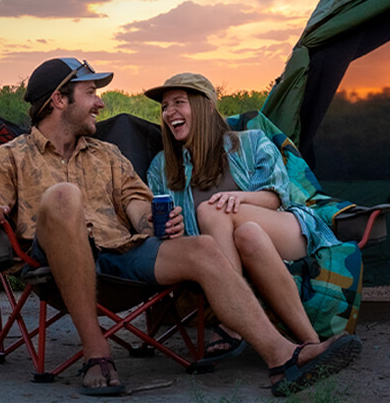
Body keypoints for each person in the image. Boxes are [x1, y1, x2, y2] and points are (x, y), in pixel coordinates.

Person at [0, 58, 361, 397]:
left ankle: (283, 357)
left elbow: (137, 201)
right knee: (63, 195)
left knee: (204, 247)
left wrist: (148, 217)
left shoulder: (108, 154)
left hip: (121, 253)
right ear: (58, 100)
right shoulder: (8, 157)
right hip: (58, 259)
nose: (101, 102)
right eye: (91, 93)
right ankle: (96, 352)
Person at [144, 73, 342, 363]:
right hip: (241, 243)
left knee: (212, 210)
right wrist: (166, 226)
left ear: (207, 106)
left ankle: (233, 322)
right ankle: (310, 344)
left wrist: (240, 198)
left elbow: (276, 197)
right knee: (247, 233)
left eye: (179, 102)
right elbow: (160, 224)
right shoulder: (162, 167)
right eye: (164, 107)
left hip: (282, 226)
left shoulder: (250, 143)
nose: (169, 112)